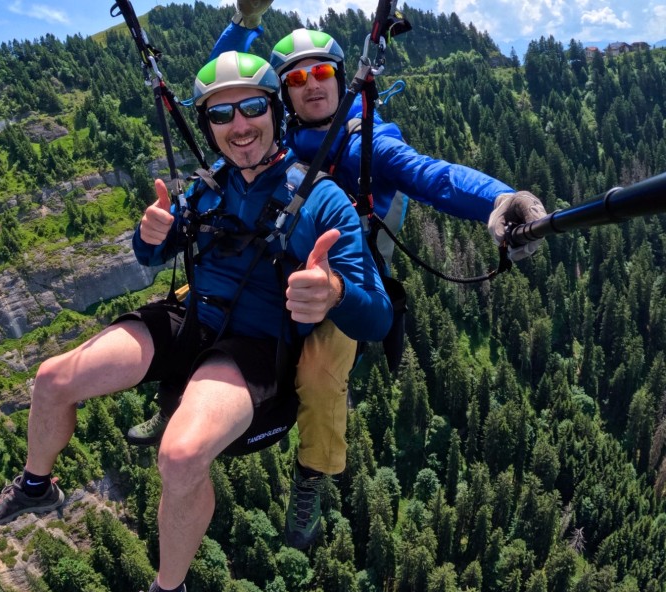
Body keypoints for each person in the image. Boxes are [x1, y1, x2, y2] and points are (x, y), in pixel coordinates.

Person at [0, 51, 392, 592]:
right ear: (209, 127)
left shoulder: (321, 200)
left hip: (251, 346)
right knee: (52, 378)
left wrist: (335, 291)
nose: (239, 126)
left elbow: (378, 317)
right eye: (221, 115)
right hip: (189, 318)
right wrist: (150, 237)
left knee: (181, 455)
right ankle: (36, 486)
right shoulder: (207, 189)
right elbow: (155, 253)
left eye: (251, 108)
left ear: (275, 112)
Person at [127, 2, 549, 551]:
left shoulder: (364, 142)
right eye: (296, 78)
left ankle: (313, 472)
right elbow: (220, 95)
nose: (312, 85)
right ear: (280, 94)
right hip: (268, 265)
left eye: (322, 72)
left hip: (340, 284)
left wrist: (499, 199)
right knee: (197, 304)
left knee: (321, 369)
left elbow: (432, 176)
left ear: (341, 77)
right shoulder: (273, 136)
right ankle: (175, 409)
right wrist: (243, 26)